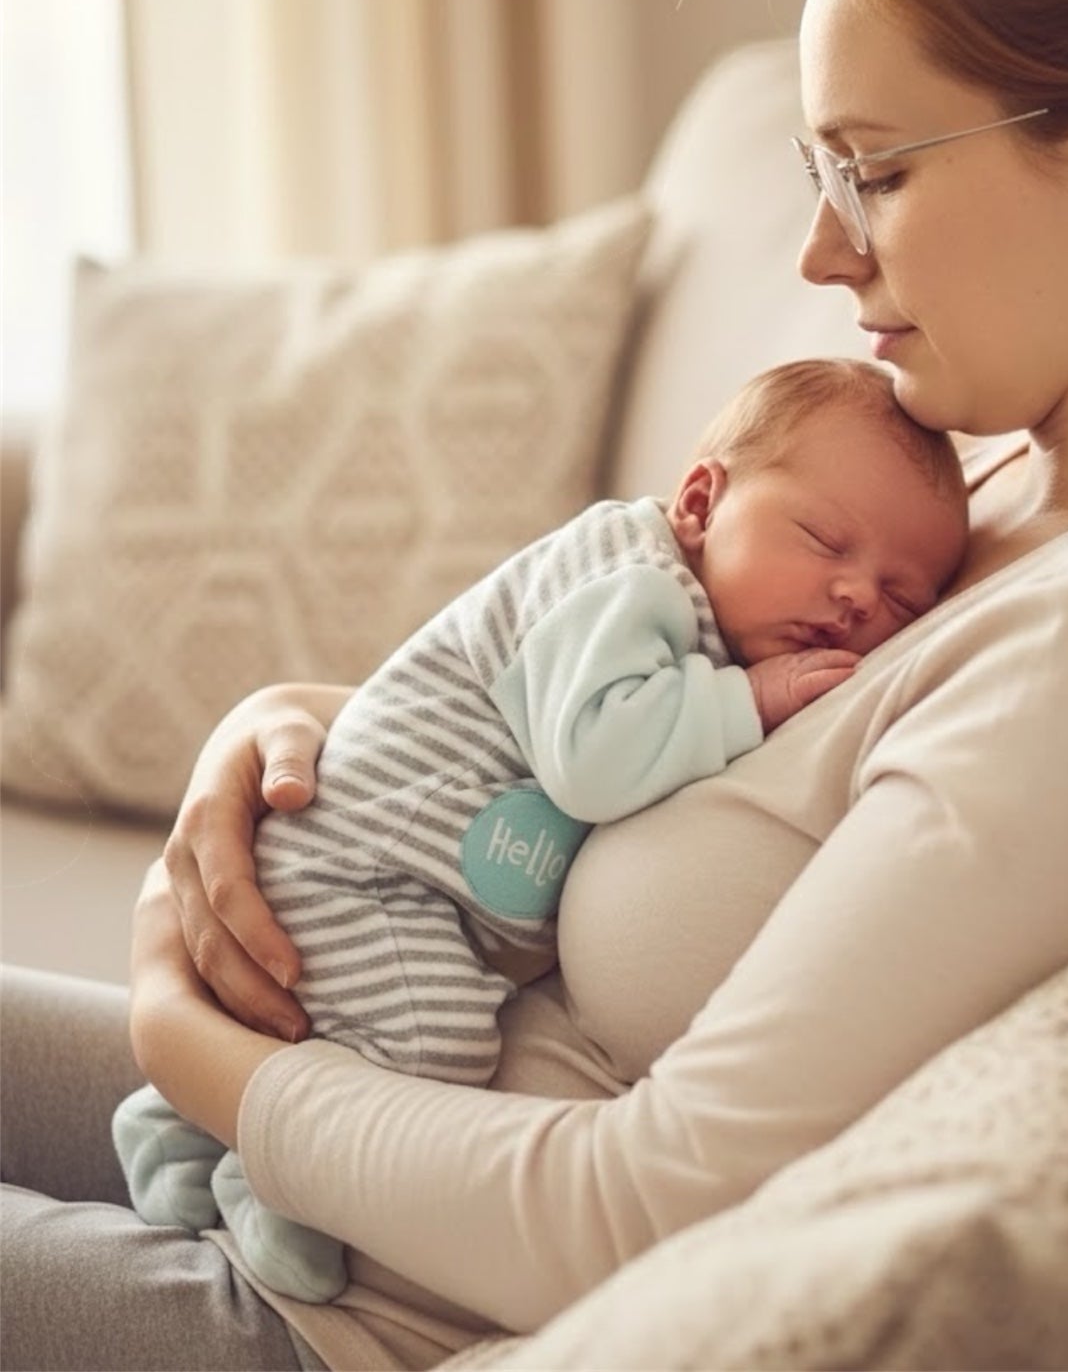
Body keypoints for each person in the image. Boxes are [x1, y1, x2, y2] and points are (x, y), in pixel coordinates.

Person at [1, 0, 1068, 1368]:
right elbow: (641, 685)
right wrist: (292, 729)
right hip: (341, 1119)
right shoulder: (1030, 471)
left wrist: (198, 1049)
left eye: (875, 173)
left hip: (339, 1312)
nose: (824, 255)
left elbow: (643, 1210)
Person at [109, 356, 970, 1306]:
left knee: (366, 1023)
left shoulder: (694, 609)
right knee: (434, 1047)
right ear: (698, 501)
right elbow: (594, 758)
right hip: (367, 873)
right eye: (822, 540)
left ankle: (175, 1126)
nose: (857, 598)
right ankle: (263, 1182)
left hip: (399, 882)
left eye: (902, 601)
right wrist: (746, 700)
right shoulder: (630, 583)